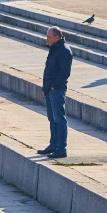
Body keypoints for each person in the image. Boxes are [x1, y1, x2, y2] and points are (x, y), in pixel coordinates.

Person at [38, 26, 72, 159]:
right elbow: (49, 70)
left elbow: (65, 72)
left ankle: (61, 148)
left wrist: (53, 87)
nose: (47, 39)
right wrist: (45, 89)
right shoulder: (54, 48)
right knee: (52, 119)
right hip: (49, 90)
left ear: (57, 37)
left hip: (56, 90)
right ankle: (53, 145)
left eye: (49, 37)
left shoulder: (64, 50)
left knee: (59, 119)